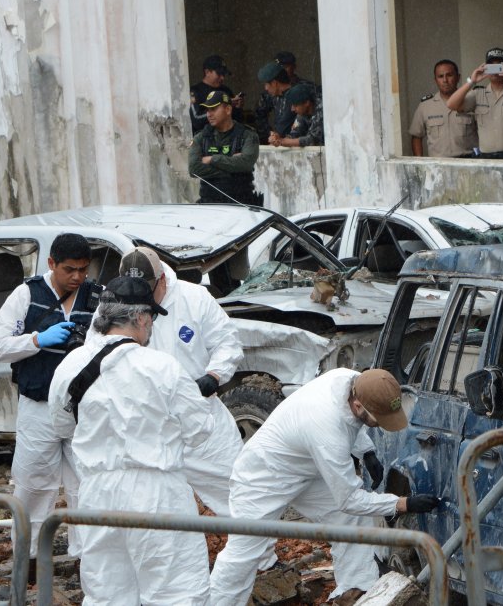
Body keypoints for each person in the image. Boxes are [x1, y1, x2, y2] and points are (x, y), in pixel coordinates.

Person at [47, 276, 214, 603]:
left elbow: (62, 425)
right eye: (150, 318)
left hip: (96, 494)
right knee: (176, 592)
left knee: (107, 594)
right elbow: (200, 429)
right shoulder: (163, 366)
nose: (151, 326)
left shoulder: (71, 366)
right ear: (140, 318)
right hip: (157, 494)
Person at [208, 368, 439, 605]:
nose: (379, 425)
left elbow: (349, 420)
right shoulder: (326, 428)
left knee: (350, 520)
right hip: (264, 476)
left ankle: (356, 590)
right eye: (377, 420)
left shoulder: (353, 380)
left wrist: (366, 450)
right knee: (244, 554)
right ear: (359, 405)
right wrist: (402, 504)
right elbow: (350, 499)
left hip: (306, 466)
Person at [0, 232, 99, 560]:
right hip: (39, 406)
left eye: (83, 269)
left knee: (88, 481)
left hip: (84, 408)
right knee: (34, 483)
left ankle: (88, 557)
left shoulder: (98, 297)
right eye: (69, 269)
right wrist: (36, 340)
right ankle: (30, 556)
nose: (78, 277)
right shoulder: (27, 294)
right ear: (51, 263)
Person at [118, 248, 244, 515]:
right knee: (157, 505)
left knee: (237, 487)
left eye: (145, 292)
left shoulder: (194, 298)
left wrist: (214, 375)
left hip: (199, 412)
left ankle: (260, 557)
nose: (139, 301)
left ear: (161, 280)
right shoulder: (117, 304)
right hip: (149, 423)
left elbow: (227, 342)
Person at [188, 89, 262, 205]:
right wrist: (233, 169)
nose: (209, 114)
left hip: (242, 204)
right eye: (207, 110)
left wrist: (212, 159)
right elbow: (194, 169)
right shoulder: (201, 137)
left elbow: (246, 162)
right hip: (209, 204)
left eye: (213, 109)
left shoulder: (247, 135)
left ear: (228, 109)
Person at [409, 59, 478, 158]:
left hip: (468, 162)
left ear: (458, 77)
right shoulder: (426, 105)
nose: (445, 80)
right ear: (435, 80)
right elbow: (416, 136)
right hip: (438, 165)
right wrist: (419, 161)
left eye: (449, 75)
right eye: (440, 76)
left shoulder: (471, 100)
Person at [190, 54, 244, 134]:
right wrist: (220, 108)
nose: (222, 78)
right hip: (205, 140)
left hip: (227, 138)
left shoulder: (226, 90)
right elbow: (196, 120)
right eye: (219, 74)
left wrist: (237, 108)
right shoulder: (195, 91)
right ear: (207, 72)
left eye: (224, 74)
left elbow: (236, 121)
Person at [255, 61, 300, 140]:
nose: (266, 88)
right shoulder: (274, 96)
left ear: (274, 83)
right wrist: (270, 132)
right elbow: (259, 114)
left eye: (266, 84)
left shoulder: (298, 94)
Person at [269, 83, 323, 147]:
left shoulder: (321, 109)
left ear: (307, 103)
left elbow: (313, 140)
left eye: (295, 105)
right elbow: (294, 134)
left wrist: (283, 141)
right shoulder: (302, 113)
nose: (292, 109)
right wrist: (278, 139)